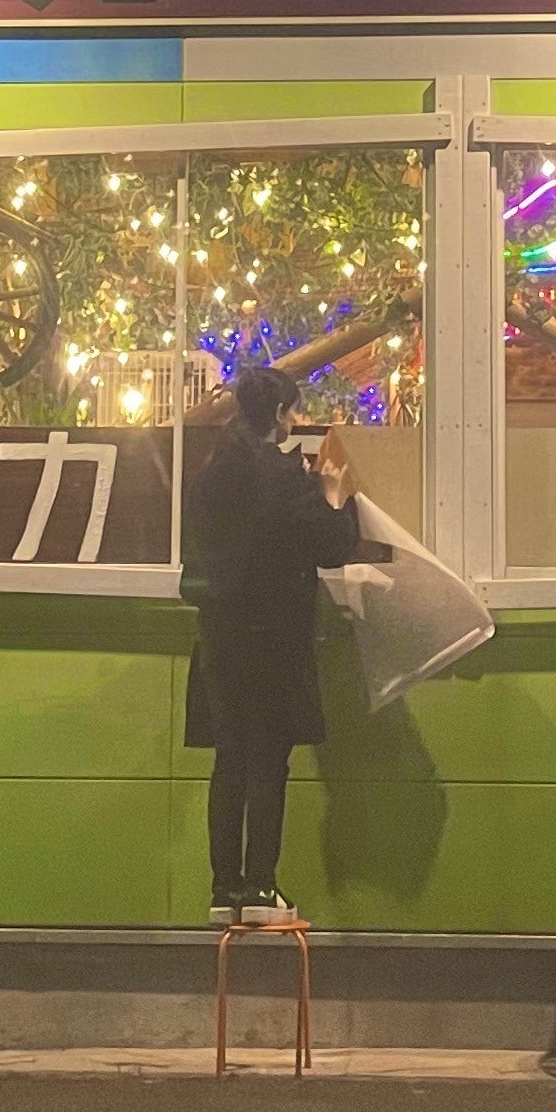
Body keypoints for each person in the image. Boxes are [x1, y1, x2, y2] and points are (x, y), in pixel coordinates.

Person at [184, 367, 368, 927]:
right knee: (268, 761)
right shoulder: (287, 477)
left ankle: (224, 892)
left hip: (220, 636)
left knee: (230, 761)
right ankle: (262, 891)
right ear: (283, 414)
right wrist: (333, 493)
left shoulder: (212, 473)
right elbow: (333, 545)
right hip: (274, 639)